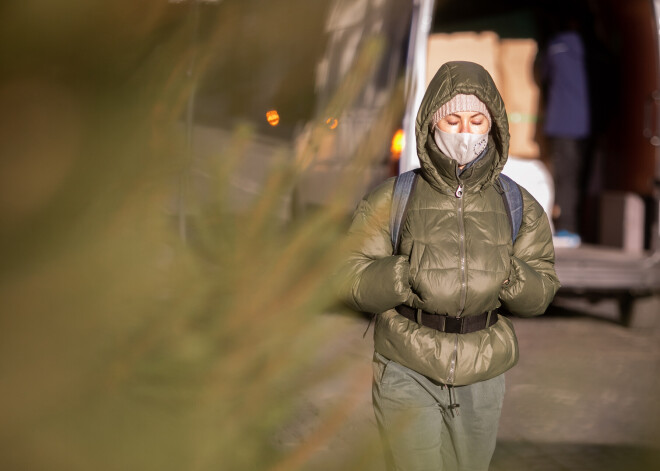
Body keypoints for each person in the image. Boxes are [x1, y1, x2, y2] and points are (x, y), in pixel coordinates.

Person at [338, 61, 560, 470]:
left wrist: (509, 275)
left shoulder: (518, 204)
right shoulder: (393, 198)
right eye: (453, 119)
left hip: (483, 373)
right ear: (431, 126)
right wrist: (405, 273)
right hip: (407, 365)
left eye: (476, 120)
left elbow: (542, 291)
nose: (464, 132)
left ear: (492, 127)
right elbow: (349, 278)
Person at [540, 19, 591, 245]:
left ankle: (566, 228)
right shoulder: (588, 49)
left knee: (563, 177)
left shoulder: (553, 47)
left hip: (560, 123)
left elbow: (541, 76)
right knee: (577, 176)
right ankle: (573, 226)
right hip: (584, 123)